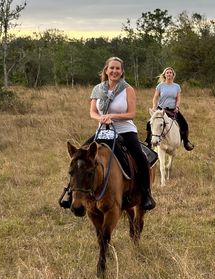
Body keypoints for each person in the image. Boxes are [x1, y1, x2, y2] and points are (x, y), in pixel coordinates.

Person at [60, 57, 155, 211]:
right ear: (106, 70)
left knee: (140, 156)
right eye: (111, 68)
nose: (114, 71)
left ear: (122, 71)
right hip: (103, 131)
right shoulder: (97, 89)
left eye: (118, 68)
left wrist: (113, 117)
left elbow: (131, 113)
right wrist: (101, 118)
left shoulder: (127, 89)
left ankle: (146, 194)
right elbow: (93, 112)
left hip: (125, 130)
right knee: (79, 157)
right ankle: (70, 193)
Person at [145, 67, 194, 151]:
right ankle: (148, 142)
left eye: (170, 72)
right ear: (164, 75)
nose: (169, 74)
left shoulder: (177, 86)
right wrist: (154, 106)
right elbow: (155, 98)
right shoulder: (160, 86)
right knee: (150, 123)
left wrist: (177, 107)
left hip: (173, 110)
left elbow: (178, 98)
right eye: (167, 72)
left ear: (173, 75)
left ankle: (185, 142)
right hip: (161, 110)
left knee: (184, 124)